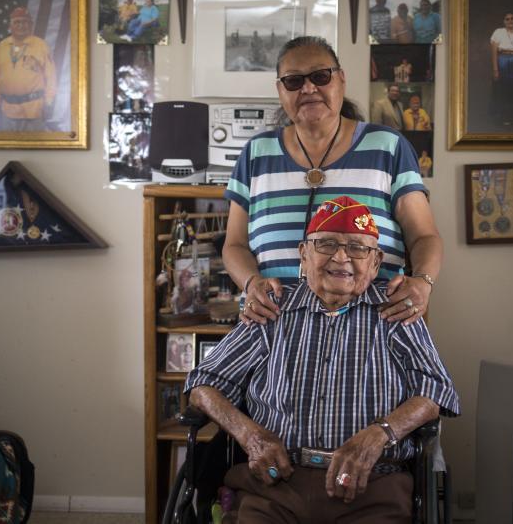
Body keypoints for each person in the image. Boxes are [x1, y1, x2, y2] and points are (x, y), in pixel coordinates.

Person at [187, 196, 459, 522]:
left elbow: (436, 391)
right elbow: (202, 385)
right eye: (326, 244)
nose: (341, 257)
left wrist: (378, 435)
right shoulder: (271, 310)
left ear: (375, 263)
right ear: (304, 253)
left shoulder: (397, 312)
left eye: (357, 248)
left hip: (372, 484)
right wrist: (251, 436)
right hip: (275, 484)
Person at [224, 37, 441, 328]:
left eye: (320, 76)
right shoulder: (256, 153)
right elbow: (234, 245)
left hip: (372, 330)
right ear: (280, 89)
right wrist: (251, 283)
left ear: (341, 79)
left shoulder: (388, 147)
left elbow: (424, 237)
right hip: (273, 329)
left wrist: (423, 282)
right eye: (293, 81)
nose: (309, 88)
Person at [0, 7, 57, 132]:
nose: (21, 25)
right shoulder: (1, 46)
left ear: (31, 25)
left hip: (34, 110)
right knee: (8, 148)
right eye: (17, 22)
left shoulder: (41, 46)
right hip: (8, 110)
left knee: (34, 149)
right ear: (10, 25)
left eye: (25, 22)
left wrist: (49, 101)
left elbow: (51, 77)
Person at [490, 12, 513, 125]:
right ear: (504, 21)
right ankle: (504, 117)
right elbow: (494, 52)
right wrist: (495, 69)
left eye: (512, 18)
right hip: (503, 60)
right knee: (504, 90)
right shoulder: (498, 32)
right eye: (507, 19)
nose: (510, 21)